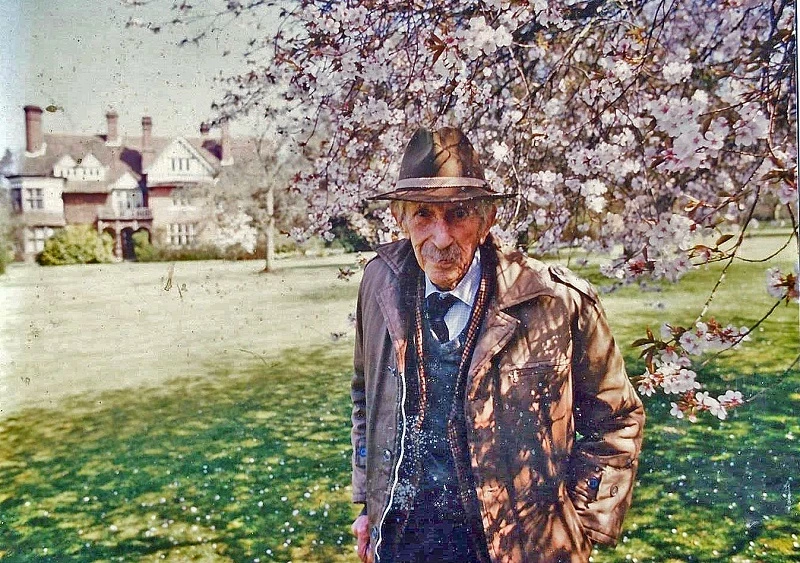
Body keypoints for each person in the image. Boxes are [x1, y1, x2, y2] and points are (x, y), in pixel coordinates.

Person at [350, 127, 644, 563]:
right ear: (399, 218)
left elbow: (617, 419)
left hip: (515, 548)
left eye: (459, 214)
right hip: (403, 543)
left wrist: (580, 529)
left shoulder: (556, 301)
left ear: (488, 220)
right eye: (424, 215)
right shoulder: (379, 284)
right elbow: (365, 397)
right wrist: (370, 505)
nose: (441, 237)